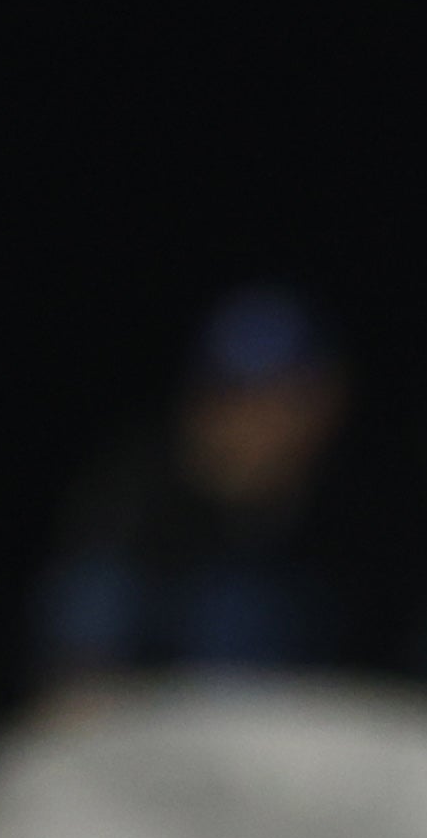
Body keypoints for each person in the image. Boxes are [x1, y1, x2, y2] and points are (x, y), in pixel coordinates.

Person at [35, 289, 376, 684]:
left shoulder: (350, 514)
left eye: (284, 398)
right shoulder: (128, 511)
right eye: (233, 395)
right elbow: (79, 685)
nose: (256, 421)